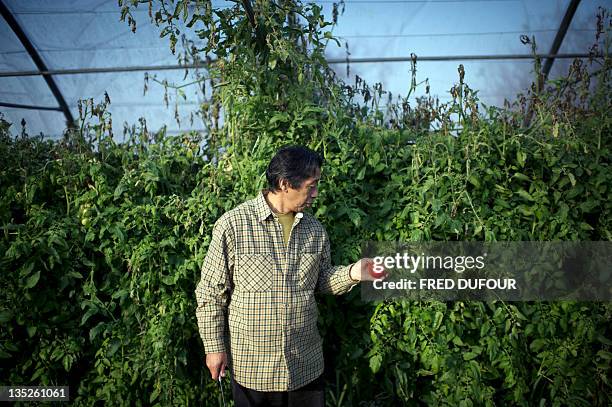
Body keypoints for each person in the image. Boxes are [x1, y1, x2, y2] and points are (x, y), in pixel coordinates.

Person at [195, 145, 381, 407]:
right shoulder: (234, 225)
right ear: (284, 183)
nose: (316, 194)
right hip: (253, 369)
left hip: (304, 366)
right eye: (311, 185)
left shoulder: (314, 230)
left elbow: (321, 281)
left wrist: (354, 273)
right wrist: (214, 347)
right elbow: (211, 293)